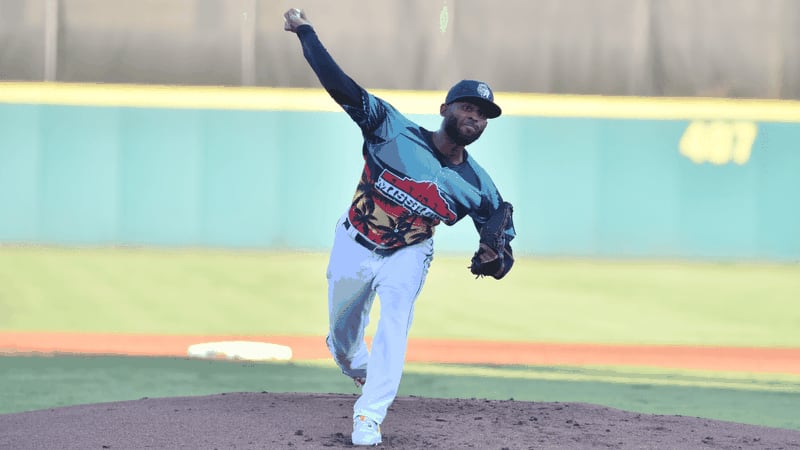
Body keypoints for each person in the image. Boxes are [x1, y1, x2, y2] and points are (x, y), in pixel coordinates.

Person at [283, 8, 516, 446]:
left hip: (410, 252)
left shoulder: (479, 186)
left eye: (484, 114)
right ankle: (355, 364)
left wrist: (495, 257)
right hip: (354, 240)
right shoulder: (392, 129)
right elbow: (340, 86)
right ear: (446, 108)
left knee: (394, 321)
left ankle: (369, 417)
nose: (476, 117)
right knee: (343, 336)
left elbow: (498, 234)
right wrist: (306, 33)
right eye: (469, 107)